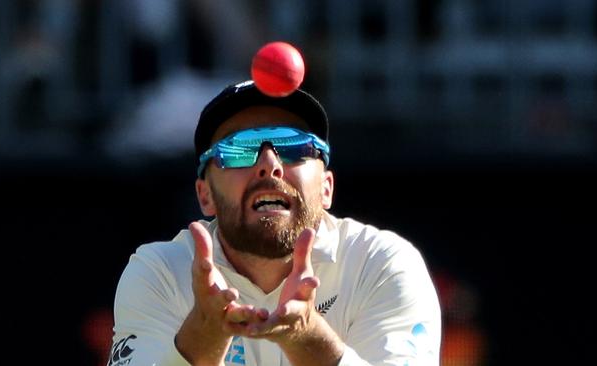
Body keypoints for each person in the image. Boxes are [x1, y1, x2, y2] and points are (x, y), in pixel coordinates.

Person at [108, 80, 442, 366]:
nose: (269, 164)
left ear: (327, 188)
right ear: (204, 194)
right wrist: (202, 335)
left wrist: (308, 337)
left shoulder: (383, 263)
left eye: (293, 146)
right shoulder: (158, 272)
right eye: (239, 149)